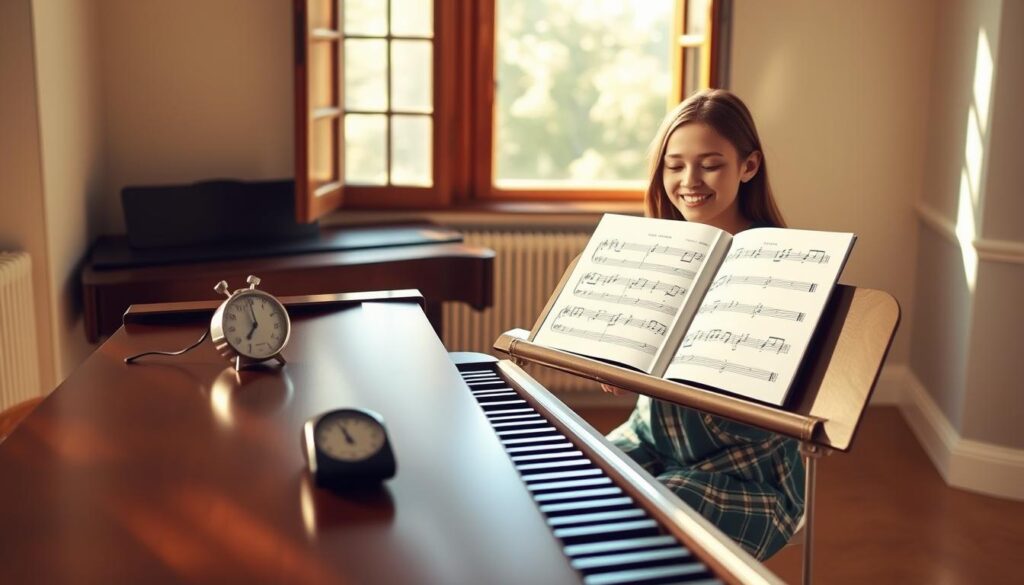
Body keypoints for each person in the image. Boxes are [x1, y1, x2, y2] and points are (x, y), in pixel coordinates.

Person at [603, 88, 804, 560]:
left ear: (748, 167)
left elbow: (789, 395)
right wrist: (611, 363)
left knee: (644, 522)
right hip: (654, 442)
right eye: (675, 165)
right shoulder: (654, 247)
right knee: (567, 488)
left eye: (710, 164)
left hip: (747, 473)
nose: (689, 180)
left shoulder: (784, 263)